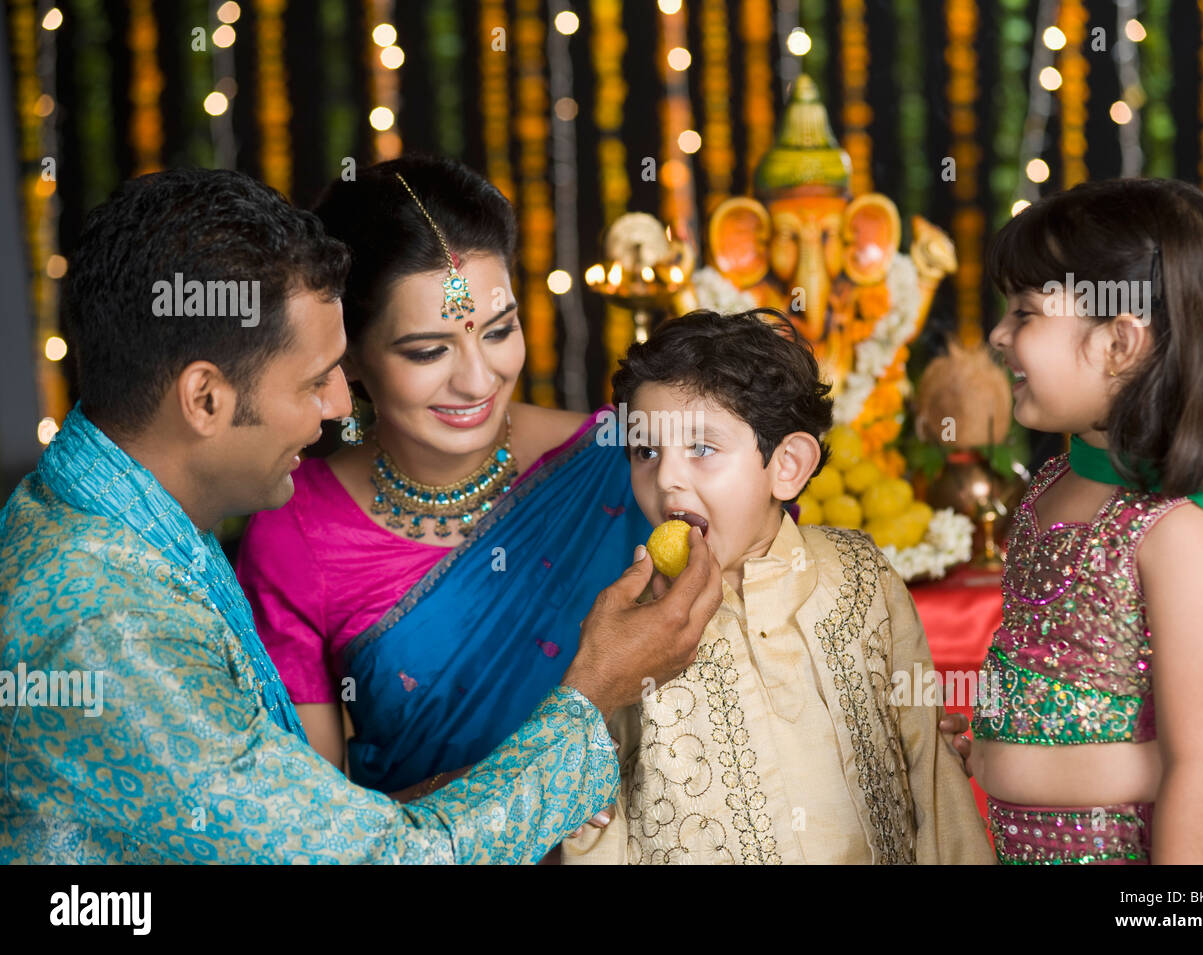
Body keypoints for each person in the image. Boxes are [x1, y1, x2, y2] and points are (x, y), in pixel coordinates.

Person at [0, 167, 722, 864]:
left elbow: (315, 825)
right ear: (206, 399)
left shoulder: (119, 531)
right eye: (317, 381)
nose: (340, 410)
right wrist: (591, 700)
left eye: (497, 330)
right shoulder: (109, 628)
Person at [234, 156, 655, 799]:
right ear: (346, 357)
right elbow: (324, 831)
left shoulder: (625, 460)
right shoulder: (295, 532)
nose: (479, 379)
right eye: (429, 351)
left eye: (498, 331)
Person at [562, 309, 993, 864]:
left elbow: (934, 778)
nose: (666, 477)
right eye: (646, 452)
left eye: (701, 448)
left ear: (786, 465)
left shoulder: (861, 578)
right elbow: (601, 828)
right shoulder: (628, 631)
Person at [971, 177, 1203, 864]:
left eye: (1025, 313)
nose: (999, 335)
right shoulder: (1053, 483)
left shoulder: (1177, 538)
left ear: (1121, 343)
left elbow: (1198, 767)